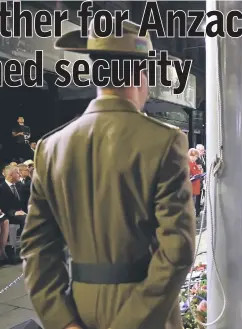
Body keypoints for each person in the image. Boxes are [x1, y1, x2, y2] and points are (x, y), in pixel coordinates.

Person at [20, 19, 195, 329]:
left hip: (80, 309)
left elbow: (36, 248)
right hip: (146, 315)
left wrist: (64, 322)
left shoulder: (50, 147)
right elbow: (177, 250)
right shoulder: (164, 141)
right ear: (142, 75)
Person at [188, 148, 203, 217]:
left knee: (192, 204)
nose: (196, 158)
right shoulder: (188, 164)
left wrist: (200, 171)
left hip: (195, 186)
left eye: (196, 157)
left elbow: (198, 172)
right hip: (190, 187)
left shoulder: (194, 163)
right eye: (195, 157)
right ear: (191, 155)